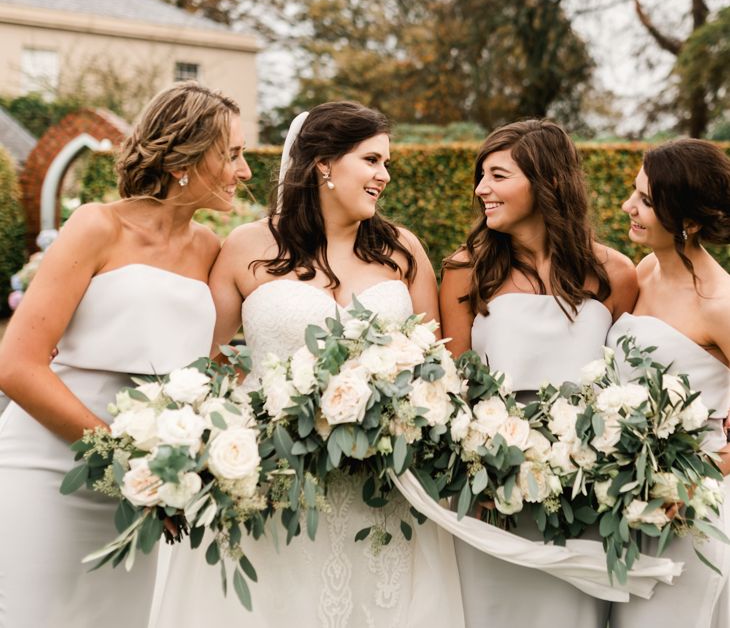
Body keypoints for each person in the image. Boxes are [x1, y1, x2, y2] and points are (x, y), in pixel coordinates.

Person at [154, 101, 464, 627]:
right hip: (277, 488)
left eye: (385, 164)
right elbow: (202, 364)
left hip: (381, 491)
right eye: (371, 161)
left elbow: (440, 368)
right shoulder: (246, 247)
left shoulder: (402, 251)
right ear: (323, 164)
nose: (383, 176)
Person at [0, 81, 251, 628]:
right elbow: (16, 366)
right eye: (232, 154)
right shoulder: (97, 225)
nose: (245, 171)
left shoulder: (212, 250)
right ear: (186, 155)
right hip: (48, 470)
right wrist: (122, 460)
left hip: (146, 490)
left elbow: (206, 366)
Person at [439, 119, 637, 628]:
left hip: (586, 494)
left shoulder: (615, 273)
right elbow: (453, 384)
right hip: (491, 493)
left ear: (549, 181)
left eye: (498, 175)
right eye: (481, 176)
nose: (482, 189)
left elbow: (630, 376)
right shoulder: (467, 269)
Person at [606, 138, 730, 627]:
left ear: (690, 221)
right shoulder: (647, 269)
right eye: (634, 193)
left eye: (646, 201)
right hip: (635, 503)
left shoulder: (718, 304)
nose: (628, 207)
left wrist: (721, 457)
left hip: (692, 508)